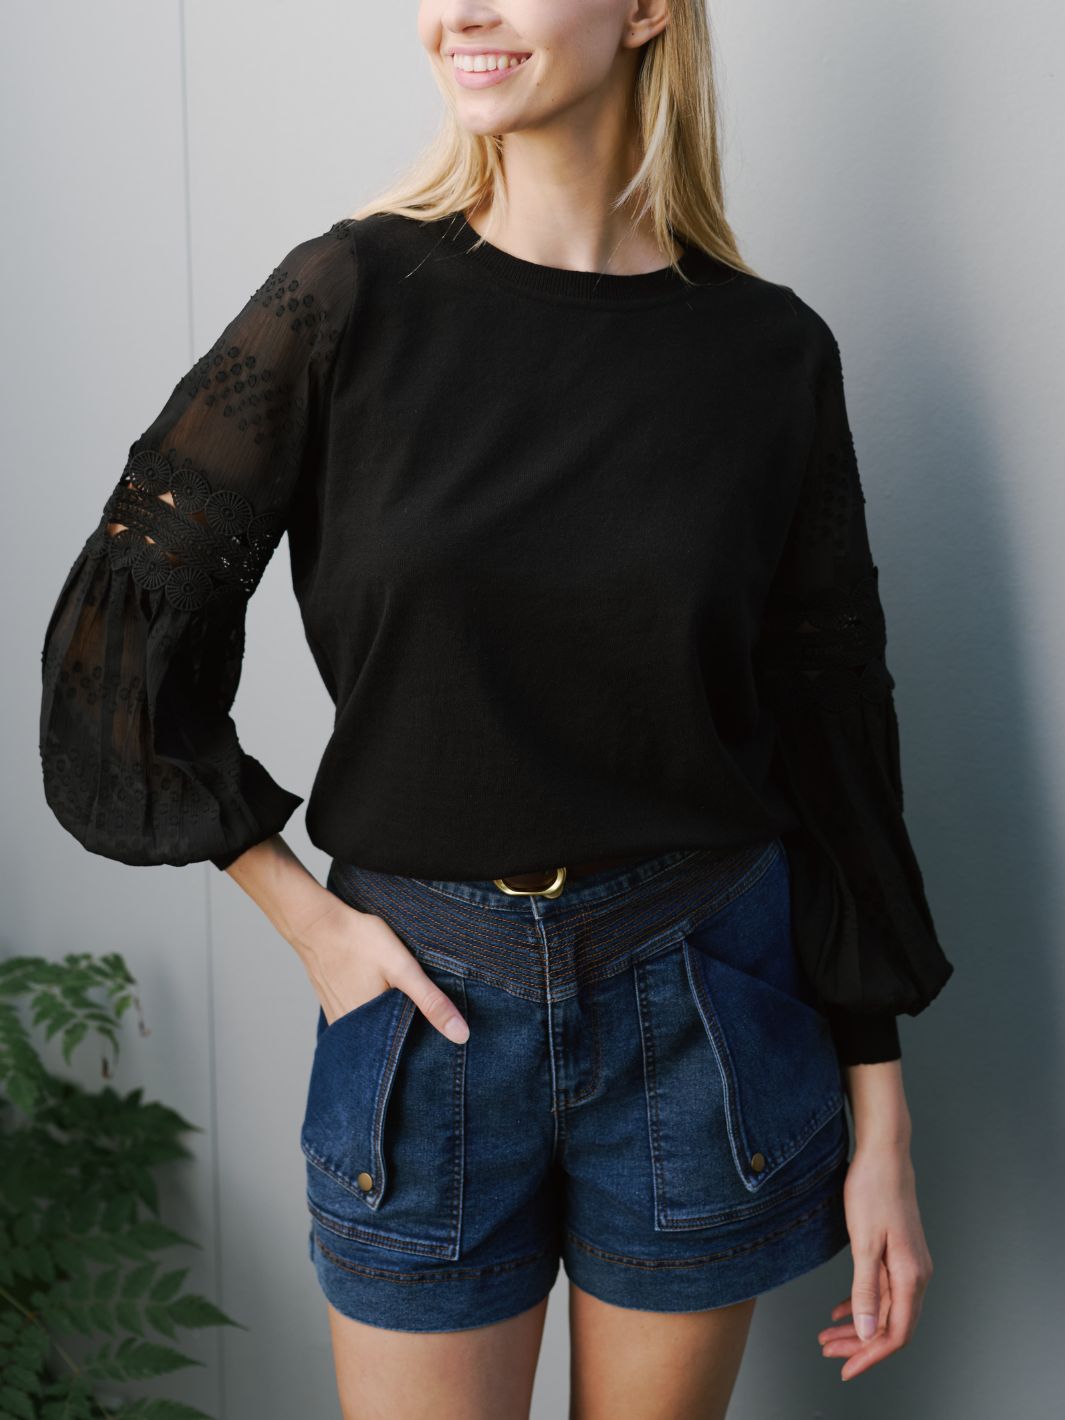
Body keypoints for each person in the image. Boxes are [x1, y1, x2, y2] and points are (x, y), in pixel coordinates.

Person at [39, 2, 956, 1416]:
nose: (458, 11)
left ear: (646, 10)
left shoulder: (769, 353)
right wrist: (310, 921)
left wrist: (882, 1122)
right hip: (428, 1004)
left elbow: (834, 740)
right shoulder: (345, 299)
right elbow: (118, 635)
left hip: (698, 999)